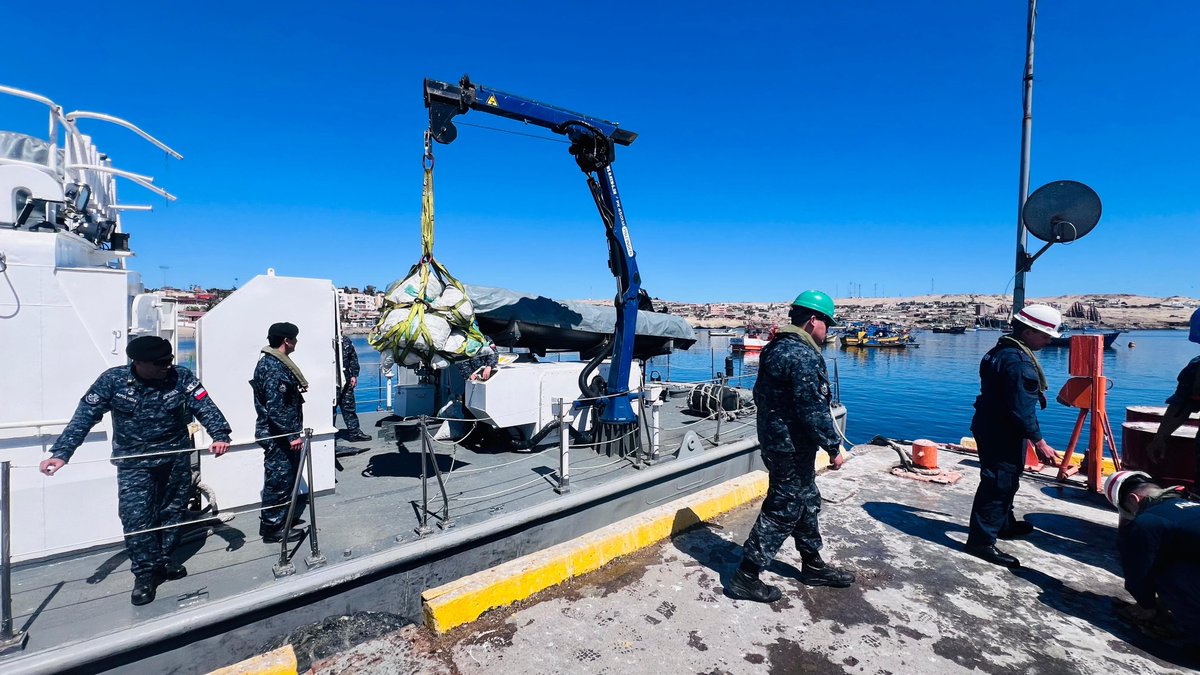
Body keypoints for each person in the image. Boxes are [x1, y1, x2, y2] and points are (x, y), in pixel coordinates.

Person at [39, 336, 231, 606]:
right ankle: (145, 575)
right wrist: (61, 453)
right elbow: (85, 416)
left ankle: (164, 562)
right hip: (134, 464)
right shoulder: (113, 381)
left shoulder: (181, 377)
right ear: (138, 362)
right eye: (160, 362)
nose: (167, 366)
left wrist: (220, 434)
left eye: (169, 360)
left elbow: (204, 406)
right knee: (136, 519)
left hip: (174, 459)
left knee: (172, 513)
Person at [727, 290, 855, 603]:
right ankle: (746, 575)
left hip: (778, 440)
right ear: (814, 320)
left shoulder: (775, 348)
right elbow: (812, 409)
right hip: (791, 446)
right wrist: (834, 448)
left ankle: (812, 565)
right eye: (827, 323)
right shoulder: (802, 355)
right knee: (784, 506)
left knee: (807, 499)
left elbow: (761, 395)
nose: (828, 330)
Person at [964, 304, 1062, 568]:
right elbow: (1021, 408)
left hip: (988, 424)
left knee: (1006, 477)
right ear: (1028, 332)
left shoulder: (998, 351)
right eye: (1045, 335)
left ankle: (1003, 523)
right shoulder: (1019, 363)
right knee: (999, 483)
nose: (1049, 340)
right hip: (1002, 430)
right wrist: (1039, 441)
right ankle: (981, 542)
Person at [1104, 470, 1200, 641]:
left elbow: (1138, 573)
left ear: (1134, 499)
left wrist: (1146, 605)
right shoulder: (1191, 507)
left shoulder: (1148, 520)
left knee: (1165, 571)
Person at [251, 322, 307, 544]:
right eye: (294, 338)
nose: (295, 342)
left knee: (284, 479)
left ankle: (281, 520)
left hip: (279, 433)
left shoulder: (272, 363)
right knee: (279, 481)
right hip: (278, 436)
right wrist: (292, 435)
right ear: (287, 341)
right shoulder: (273, 367)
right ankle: (273, 529)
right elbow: (277, 408)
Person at [1146, 308, 1200, 478]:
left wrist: (1159, 439)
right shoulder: (1196, 370)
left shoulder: (1196, 369)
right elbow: (1181, 406)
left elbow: (1181, 406)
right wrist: (1160, 438)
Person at [335, 334, 371, 442]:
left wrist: (354, 375)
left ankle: (355, 433)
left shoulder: (346, 340)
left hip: (346, 379)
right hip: (331, 382)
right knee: (330, 410)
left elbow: (353, 357)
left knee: (349, 407)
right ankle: (329, 437)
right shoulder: (325, 341)